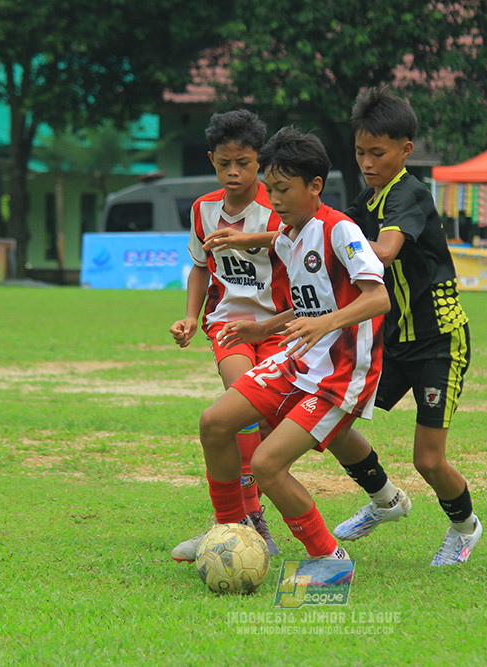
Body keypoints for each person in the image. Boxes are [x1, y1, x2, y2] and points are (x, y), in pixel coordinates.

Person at [187, 126, 390, 560]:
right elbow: (309, 305)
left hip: (341, 372)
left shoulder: (341, 231)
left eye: (282, 190)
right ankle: (232, 531)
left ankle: (329, 559)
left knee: (265, 463)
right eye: (271, 190)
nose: (274, 201)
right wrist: (264, 329)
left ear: (315, 186)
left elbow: (378, 298)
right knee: (214, 423)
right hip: (299, 360)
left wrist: (325, 324)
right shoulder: (289, 237)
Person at [331, 86, 482, 566]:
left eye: (378, 153)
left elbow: (386, 249)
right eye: (360, 152)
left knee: (429, 460)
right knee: (331, 423)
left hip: (439, 342)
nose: (367, 162)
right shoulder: (368, 198)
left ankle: (465, 528)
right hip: (394, 342)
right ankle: (385, 500)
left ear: (405, 151)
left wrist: (338, 248)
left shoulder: (409, 193)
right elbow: (325, 230)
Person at [168, 109, 290, 561]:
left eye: (243, 162)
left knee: (267, 422)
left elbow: (293, 243)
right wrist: (191, 317)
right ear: (212, 161)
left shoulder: (278, 205)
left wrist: (247, 239)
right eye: (224, 163)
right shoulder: (203, 209)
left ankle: (379, 491)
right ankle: (244, 521)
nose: (233, 172)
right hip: (230, 326)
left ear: (260, 161)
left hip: (281, 326)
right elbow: (201, 268)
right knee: (239, 406)